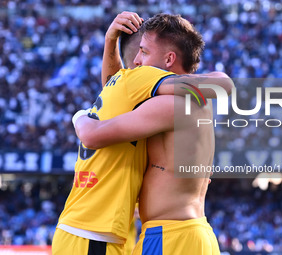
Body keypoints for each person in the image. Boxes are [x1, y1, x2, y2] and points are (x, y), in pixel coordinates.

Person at [74, 13, 234, 255]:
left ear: (169, 59)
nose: (137, 61)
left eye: (144, 52)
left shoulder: (169, 103)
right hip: (190, 232)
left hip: (169, 236)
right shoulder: (190, 100)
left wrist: (80, 118)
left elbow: (102, 118)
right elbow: (117, 90)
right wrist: (110, 42)